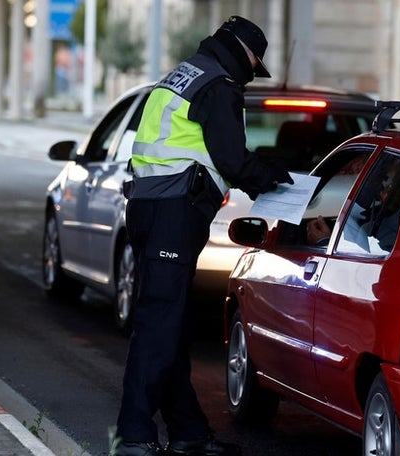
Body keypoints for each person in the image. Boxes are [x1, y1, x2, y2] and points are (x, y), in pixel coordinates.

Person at [116, 16, 293, 456]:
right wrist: (275, 180)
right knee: (159, 323)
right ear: (242, 52)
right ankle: (134, 436)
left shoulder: (186, 72)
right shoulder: (219, 85)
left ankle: (188, 432)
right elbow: (231, 160)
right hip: (173, 211)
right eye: (255, 61)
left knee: (169, 322)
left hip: (150, 206)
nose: (254, 72)